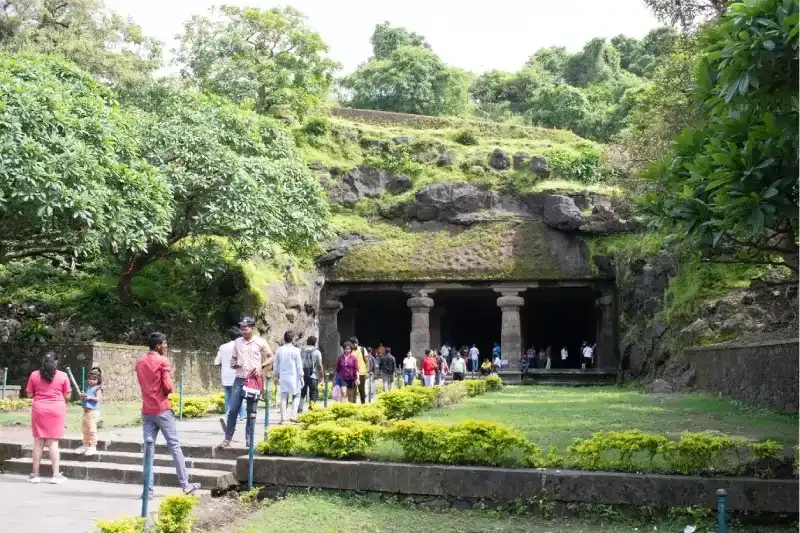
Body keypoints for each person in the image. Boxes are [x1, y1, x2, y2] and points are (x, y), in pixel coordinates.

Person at [136, 332, 200, 496]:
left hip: (147, 410)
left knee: (148, 450)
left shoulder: (140, 362)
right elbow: (169, 387)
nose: (166, 346)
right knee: (174, 446)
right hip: (162, 409)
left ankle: (148, 490)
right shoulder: (163, 361)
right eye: (165, 344)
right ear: (158, 345)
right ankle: (185, 485)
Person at [219, 317, 275, 449]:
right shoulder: (237, 342)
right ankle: (227, 438)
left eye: (246, 328)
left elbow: (272, 356)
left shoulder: (260, 342)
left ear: (252, 328)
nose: (243, 330)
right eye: (242, 328)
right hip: (239, 379)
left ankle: (249, 439)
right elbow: (233, 360)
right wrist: (234, 364)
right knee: (233, 409)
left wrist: (261, 366)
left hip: (254, 380)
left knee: (251, 411)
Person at [26, 354, 70, 484]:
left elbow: (29, 394)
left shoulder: (34, 375)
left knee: (38, 443)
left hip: (39, 409)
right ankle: (56, 475)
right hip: (56, 409)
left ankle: (35, 475)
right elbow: (67, 395)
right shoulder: (63, 375)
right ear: (56, 362)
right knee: (53, 443)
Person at [215, 327, 245, 429]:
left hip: (225, 376)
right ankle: (229, 416)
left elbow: (217, 362)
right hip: (236, 376)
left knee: (229, 398)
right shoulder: (240, 347)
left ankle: (239, 417)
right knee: (236, 398)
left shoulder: (222, 347)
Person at [275, 330, 303, 423]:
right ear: (292, 339)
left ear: (284, 338)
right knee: (297, 395)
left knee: (284, 396)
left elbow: (276, 364)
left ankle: (283, 418)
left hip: (283, 375)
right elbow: (299, 365)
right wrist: (301, 376)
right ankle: (293, 415)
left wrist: (276, 375)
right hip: (293, 375)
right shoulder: (296, 350)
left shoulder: (279, 350)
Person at [76, 367, 102, 456]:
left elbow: (98, 399)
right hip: (85, 411)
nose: (92, 381)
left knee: (92, 430)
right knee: (85, 429)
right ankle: (85, 445)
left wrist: (89, 397)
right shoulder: (87, 388)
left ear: (98, 380)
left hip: (93, 412)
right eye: (90, 379)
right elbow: (83, 398)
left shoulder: (98, 389)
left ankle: (93, 446)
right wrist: (82, 396)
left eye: (94, 379)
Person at [299, 335, 324, 413]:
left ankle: (300, 408)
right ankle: (311, 408)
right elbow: (320, 365)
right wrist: (321, 377)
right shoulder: (317, 352)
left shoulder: (301, 351)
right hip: (313, 376)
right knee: (313, 392)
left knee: (302, 391)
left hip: (302, 375)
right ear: (315, 343)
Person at [350, 337, 369, 405]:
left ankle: (363, 403)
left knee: (361, 389)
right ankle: (353, 404)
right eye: (353, 343)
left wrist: (367, 371)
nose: (354, 344)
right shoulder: (350, 351)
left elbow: (367, 361)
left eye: (356, 343)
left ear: (358, 343)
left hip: (362, 372)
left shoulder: (362, 349)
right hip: (353, 373)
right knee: (353, 390)